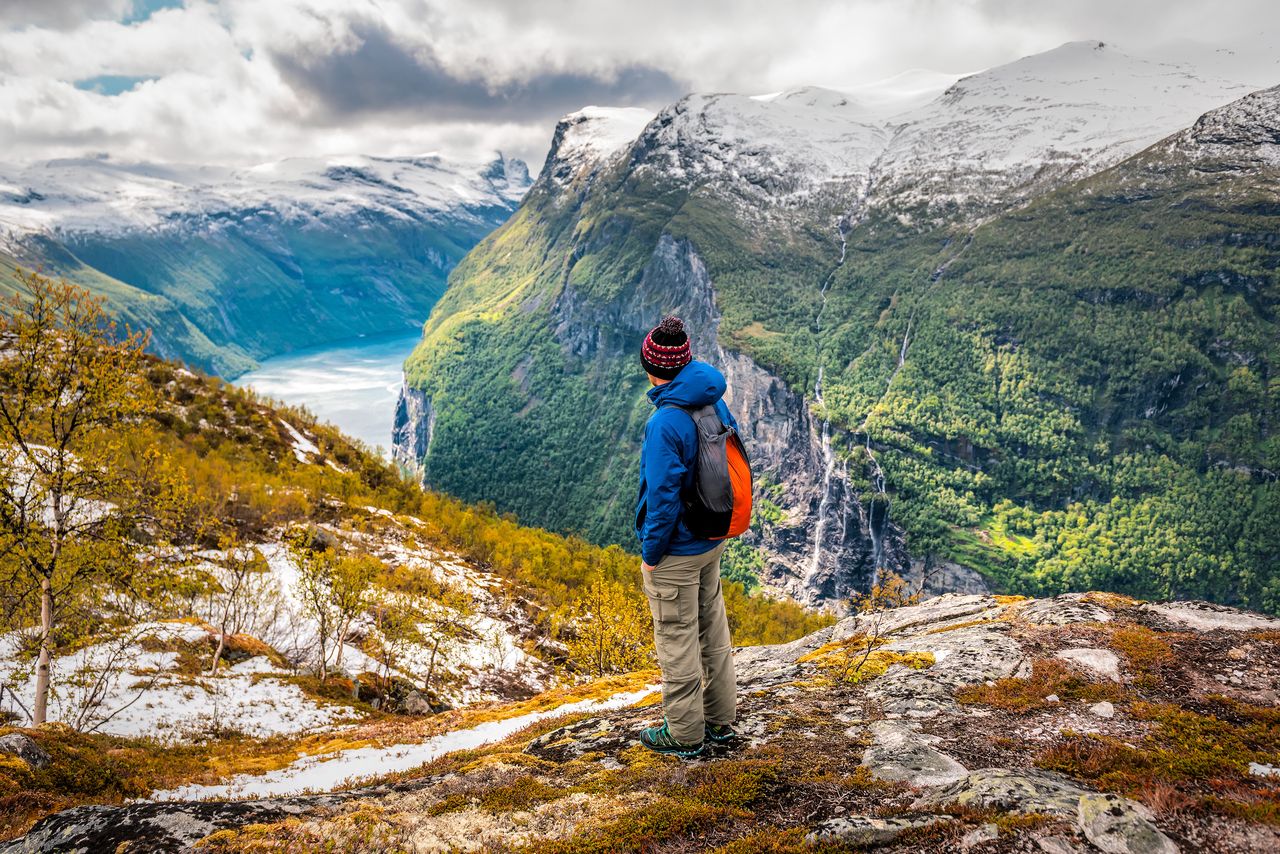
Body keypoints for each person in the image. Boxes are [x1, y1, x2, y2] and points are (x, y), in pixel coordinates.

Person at [634, 315, 740, 758]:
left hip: (675, 550)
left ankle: (683, 734)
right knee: (711, 630)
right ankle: (719, 722)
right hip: (711, 538)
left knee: (676, 637)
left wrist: (651, 555)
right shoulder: (713, 399)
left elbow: (662, 499)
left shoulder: (665, 423)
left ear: (651, 366)